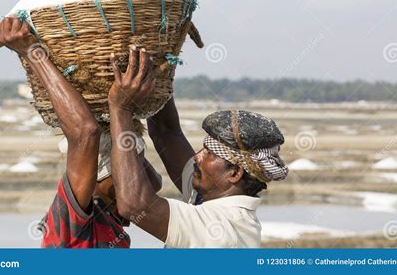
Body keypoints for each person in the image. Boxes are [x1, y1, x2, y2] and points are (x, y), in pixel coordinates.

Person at [0, 18, 161, 248]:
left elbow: (155, 179)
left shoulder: (111, 214)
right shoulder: (69, 227)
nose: (140, 178)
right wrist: (30, 50)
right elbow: (85, 132)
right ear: (93, 178)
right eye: (132, 169)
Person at [108, 47, 288, 248]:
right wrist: (156, 69)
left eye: (209, 154)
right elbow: (166, 134)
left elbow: (134, 204)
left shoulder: (223, 230)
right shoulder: (208, 197)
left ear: (235, 173)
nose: (197, 158)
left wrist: (120, 108)